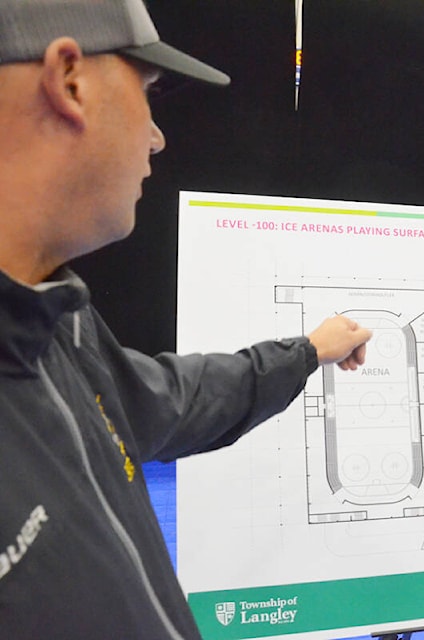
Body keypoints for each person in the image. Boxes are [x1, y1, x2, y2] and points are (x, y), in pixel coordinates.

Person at [0, 1, 371, 638]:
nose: (156, 136)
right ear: (69, 81)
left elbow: (168, 400)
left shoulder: (55, 321)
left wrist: (308, 351)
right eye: (148, 92)